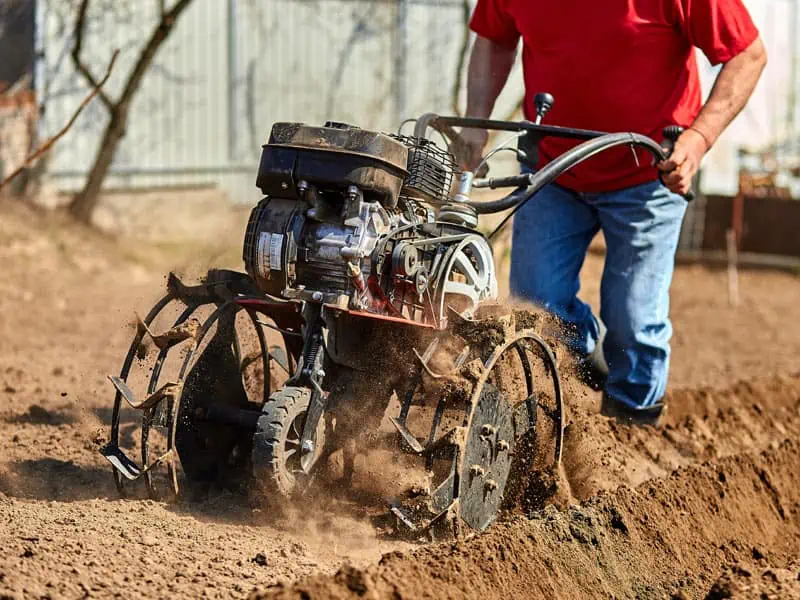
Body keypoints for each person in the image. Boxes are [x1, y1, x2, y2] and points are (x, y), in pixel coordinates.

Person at [463, 0, 766, 425]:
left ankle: (634, 425)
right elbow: (493, 39)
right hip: (553, 168)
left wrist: (697, 139)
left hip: (649, 174)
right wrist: (475, 124)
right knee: (537, 309)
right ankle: (577, 386)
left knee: (634, 323)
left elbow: (747, 54)